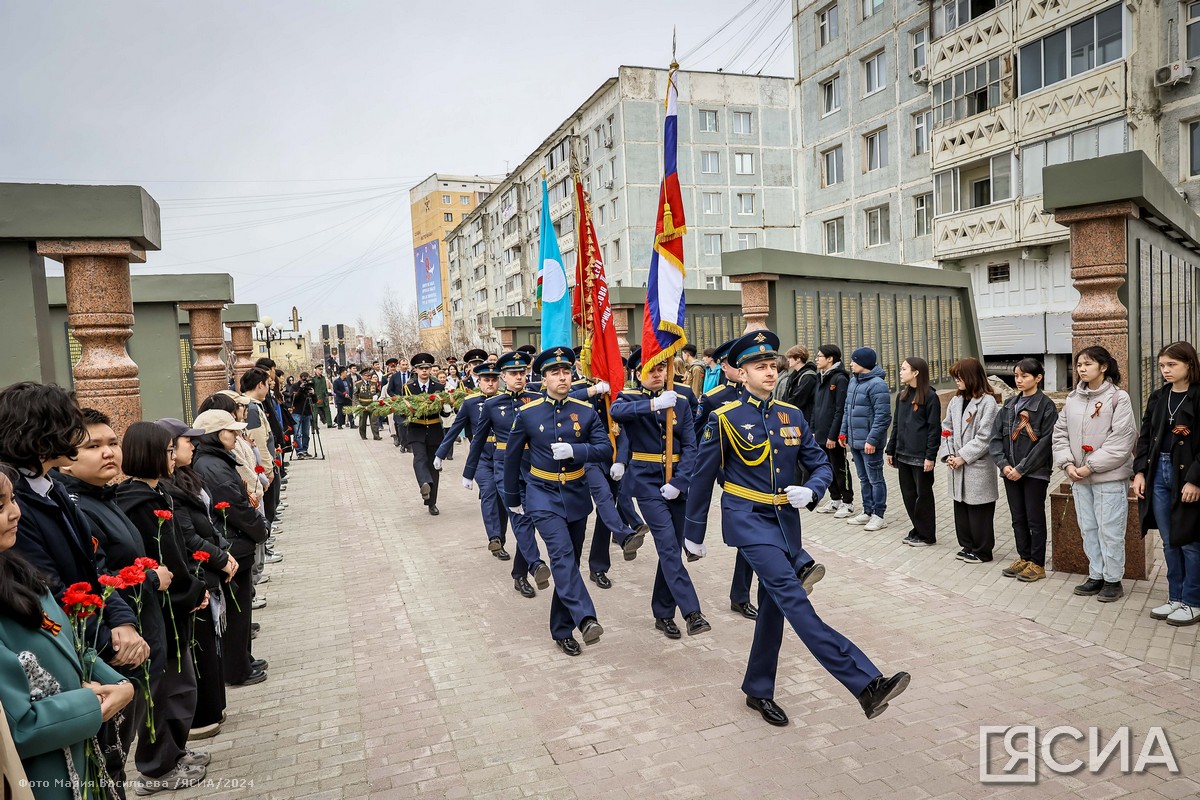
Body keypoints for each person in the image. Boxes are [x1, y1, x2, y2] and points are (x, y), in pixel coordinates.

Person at [683, 330, 909, 727]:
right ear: (740, 373)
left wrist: (812, 488)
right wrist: (694, 532)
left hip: (785, 523)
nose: (769, 372)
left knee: (773, 611)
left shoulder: (792, 415)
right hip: (747, 520)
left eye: (772, 365)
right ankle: (864, 683)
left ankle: (757, 689)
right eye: (759, 366)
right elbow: (702, 478)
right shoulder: (723, 418)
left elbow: (820, 463)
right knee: (796, 602)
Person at [0, 462, 136, 800]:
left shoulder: (19, 574)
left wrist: (116, 682)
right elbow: (18, 726)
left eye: (13, 500)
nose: (14, 512)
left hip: (79, 758)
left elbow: (69, 643)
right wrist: (92, 703)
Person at [55, 410, 171, 790]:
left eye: (112, 443)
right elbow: (96, 578)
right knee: (110, 762)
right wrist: (150, 579)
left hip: (139, 630)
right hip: (116, 645)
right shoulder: (78, 508)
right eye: (93, 446)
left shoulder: (104, 497)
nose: (108, 453)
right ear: (65, 459)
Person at [115, 423, 209, 793]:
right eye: (170, 451)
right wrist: (187, 591)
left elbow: (178, 555)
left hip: (179, 601)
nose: (175, 457)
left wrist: (193, 588)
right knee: (164, 692)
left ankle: (175, 751)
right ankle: (156, 768)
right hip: (160, 607)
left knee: (181, 686)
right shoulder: (135, 503)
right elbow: (157, 560)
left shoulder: (158, 494)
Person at [503, 347, 613, 656]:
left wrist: (577, 452)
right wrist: (513, 499)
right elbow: (511, 459)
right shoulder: (527, 413)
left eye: (566, 371)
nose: (562, 377)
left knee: (570, 565)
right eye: (555, 372)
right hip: (542, 494)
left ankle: (561, 629)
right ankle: (586, 618)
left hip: (576, 495)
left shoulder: (586, 411)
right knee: (562, 557)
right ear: (544, 378)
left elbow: (605, 450)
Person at [610, 349, 710, 639]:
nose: (657, 375)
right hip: (646, 483)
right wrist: (653, 404)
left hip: (676, 482)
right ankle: (692, 613)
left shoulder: (679, 400)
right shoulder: (630, 399)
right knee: (667, 546)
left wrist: (680, 481)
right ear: (637, 373)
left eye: (660, 369)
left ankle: (663, 613)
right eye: (650, 370)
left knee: (672, 550)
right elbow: (616, 413)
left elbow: (691, 446)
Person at [154, 417, 235, 740]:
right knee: (199, 649)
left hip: (210, 568)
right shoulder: (165, 489)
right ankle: (201, 717)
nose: (192, 446)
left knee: (211, 647)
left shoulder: (187, 476)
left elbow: (207, 522)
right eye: (186, 441)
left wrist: (222, 551)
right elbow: (186, 538)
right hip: (195, 575)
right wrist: (220, 558)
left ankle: (213, 709)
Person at [189, 409, 270, 686]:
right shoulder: (211, 464)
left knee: (242, 609)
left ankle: (242, 659)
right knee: (236, 612)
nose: (236, 436)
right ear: (214, 434)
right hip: (233, 542)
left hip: (237, 541)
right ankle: (237, 668)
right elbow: (234, 507)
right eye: (231, 431)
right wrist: (259, 530)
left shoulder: (217, 459)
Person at [463, 351, 552, 598]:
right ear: (503, 377)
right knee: (519, 518)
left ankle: (519, 574)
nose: (519, 377)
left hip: (533, 468)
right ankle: (535, 564)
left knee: (532, 520)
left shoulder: (536, 398)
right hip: (505, 471)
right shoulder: (492, 405)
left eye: (522, 373)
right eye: (513, 374)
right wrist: (469, 473)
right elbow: (478, 440)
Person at [1052, 346, 1137, 601]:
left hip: (1108, 477)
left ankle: (1113, 579)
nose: (1081, 369)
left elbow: (1121, 440)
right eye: (1079, 365)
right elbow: (1060, 434)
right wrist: (1067, 465)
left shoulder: (1118, 398)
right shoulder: (1072, 399)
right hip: (1078, 476)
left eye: (1087, 364)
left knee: (1110, 528)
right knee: (1088, 527)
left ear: (1103, 367)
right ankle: (1096, 574)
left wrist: (1090, 466)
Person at [1133, 342, 1200, 625]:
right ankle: (1176, 597)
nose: (1165, 370)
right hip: (1157, 471)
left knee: (1190, 541)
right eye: (1162, 365)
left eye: (1172, 365)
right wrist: (1139, 473)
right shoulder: (1159, 397)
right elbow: (1145, 436)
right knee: (1169, 539)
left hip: (1186, 475)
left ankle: (1194, 601)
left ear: (1189, 364)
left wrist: (1195, 480)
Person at [694, 338, 757, 620]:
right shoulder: (714, 398)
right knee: (748, 537)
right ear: (725, 367)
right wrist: (719, 473)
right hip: (732, 481)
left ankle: (743, 594)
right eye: (735, 363)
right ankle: (741, 596)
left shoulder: (761, 396)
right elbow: (700, 442)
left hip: (761, 479)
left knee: (759, 539)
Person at [991, 358, 1059, 581]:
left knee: (1034, 518)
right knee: (1017, 517)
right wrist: (1004, 464)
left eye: (1025, 376)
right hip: (1010, 471)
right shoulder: (1009, 405)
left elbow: (1045, 443)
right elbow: (995, 439)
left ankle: (1037, 563)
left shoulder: (1046, 406)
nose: (1019, 380)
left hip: (1034, 472)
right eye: (1017, 376)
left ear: (1038, 378)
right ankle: (1024, 556)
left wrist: (1022, 468)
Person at [437, 362, 507, 557]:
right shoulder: (470, 402)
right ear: (479, 381)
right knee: (489, 491)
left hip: (504, 456)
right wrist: (440, 453)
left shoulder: (507, 399)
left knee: (504, 499)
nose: (491, 383)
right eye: (486, 380)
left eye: (494, 379)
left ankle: (501, 537)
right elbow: (455, 428)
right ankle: (494, 538)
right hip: (481, 457)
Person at [937, 358, 1002, 564]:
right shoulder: (956, 401)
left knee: (979, 510)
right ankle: (967, 545)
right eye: (955, 377)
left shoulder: (987, 402)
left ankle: (983, 551)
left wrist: (962, 457)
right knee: (961, 508)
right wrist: (948, 454)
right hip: (957, 463)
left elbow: (985, 437)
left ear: (972, 377)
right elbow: (946, 429)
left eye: (960, 376)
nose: (957, 380)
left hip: (976, 465)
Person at [884, 357, 941, 547]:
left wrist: (930, 456)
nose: (900, 372)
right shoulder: (903, 396)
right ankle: (917, 529)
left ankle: (927, 535)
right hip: (903, 454)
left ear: (916, 372)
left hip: (921, 456)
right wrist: (891, 450)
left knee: (922, 496)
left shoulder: (930, 397)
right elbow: (897, 425)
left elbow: (934, 429)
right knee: (908, 495)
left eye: (904, 369)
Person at [840, 347, 891, 531]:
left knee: (875, 479)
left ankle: (879, 514)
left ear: (863, 363)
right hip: (855, 440)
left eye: (854, 360)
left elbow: (883, 416)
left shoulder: (877, 384)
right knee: (863, 479)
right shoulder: (854, 381)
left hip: (870, 443)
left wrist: (872, 440)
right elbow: (847, 410)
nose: (851, 363)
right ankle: (867, 511)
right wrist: (843, 432)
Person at [404, 353, 451, 515]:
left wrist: (447, 407)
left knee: (434, 466)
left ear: (431, 370)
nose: (424, 370)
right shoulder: (408, 387)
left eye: (427, 368)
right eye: (421, 368)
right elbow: (403, 410)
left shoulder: (438, 387)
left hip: (434, 430)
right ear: (415, 370)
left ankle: (432, 502)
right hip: (416, 430)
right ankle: (424, 483)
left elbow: (444, 414)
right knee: (419, 458)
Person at [813, 345, 855, 518]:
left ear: (830, 359)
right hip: (820, 433)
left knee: (839, 467)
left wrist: (833, 435)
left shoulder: (840, 379)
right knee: (827, 467)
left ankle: (847, 502)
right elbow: (817, 407)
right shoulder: (821, 377)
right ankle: (835, 499)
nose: (816, 359)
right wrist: (813, 430)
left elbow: (840, 410)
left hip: (833, 435)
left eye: (819, 356)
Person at [779, 346, 819, 423]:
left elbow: (798, 399)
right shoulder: (793, 375)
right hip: (794, 416)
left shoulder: (808, 376)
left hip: (804, 418)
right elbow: (785, 396)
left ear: (798, 359)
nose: (788, 360)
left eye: (790, 357)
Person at [355, 375, 382, 441]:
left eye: (369, 375)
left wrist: (376, 395)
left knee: (374, 421)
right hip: (363, 405)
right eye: (367, 376)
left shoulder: (373, 383)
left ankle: (376, 435)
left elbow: (378, 391)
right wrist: (357, 404)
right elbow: (355, 395)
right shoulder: (358, 384)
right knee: (362, 422)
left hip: (372, 404)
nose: (369, 377)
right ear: (363, 376)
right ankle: (363, 435)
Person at [311, 364, 333, 429]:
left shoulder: (323, 378)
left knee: (327, 411)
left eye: (322, 369)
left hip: (324, 397)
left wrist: (327, 395)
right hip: (317, 398)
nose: (321, 371)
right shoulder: (313, 379)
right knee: (315, 413)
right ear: (316, 370)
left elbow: (325, 388)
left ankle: (329, 424)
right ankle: (314, 426)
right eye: (319, 369)